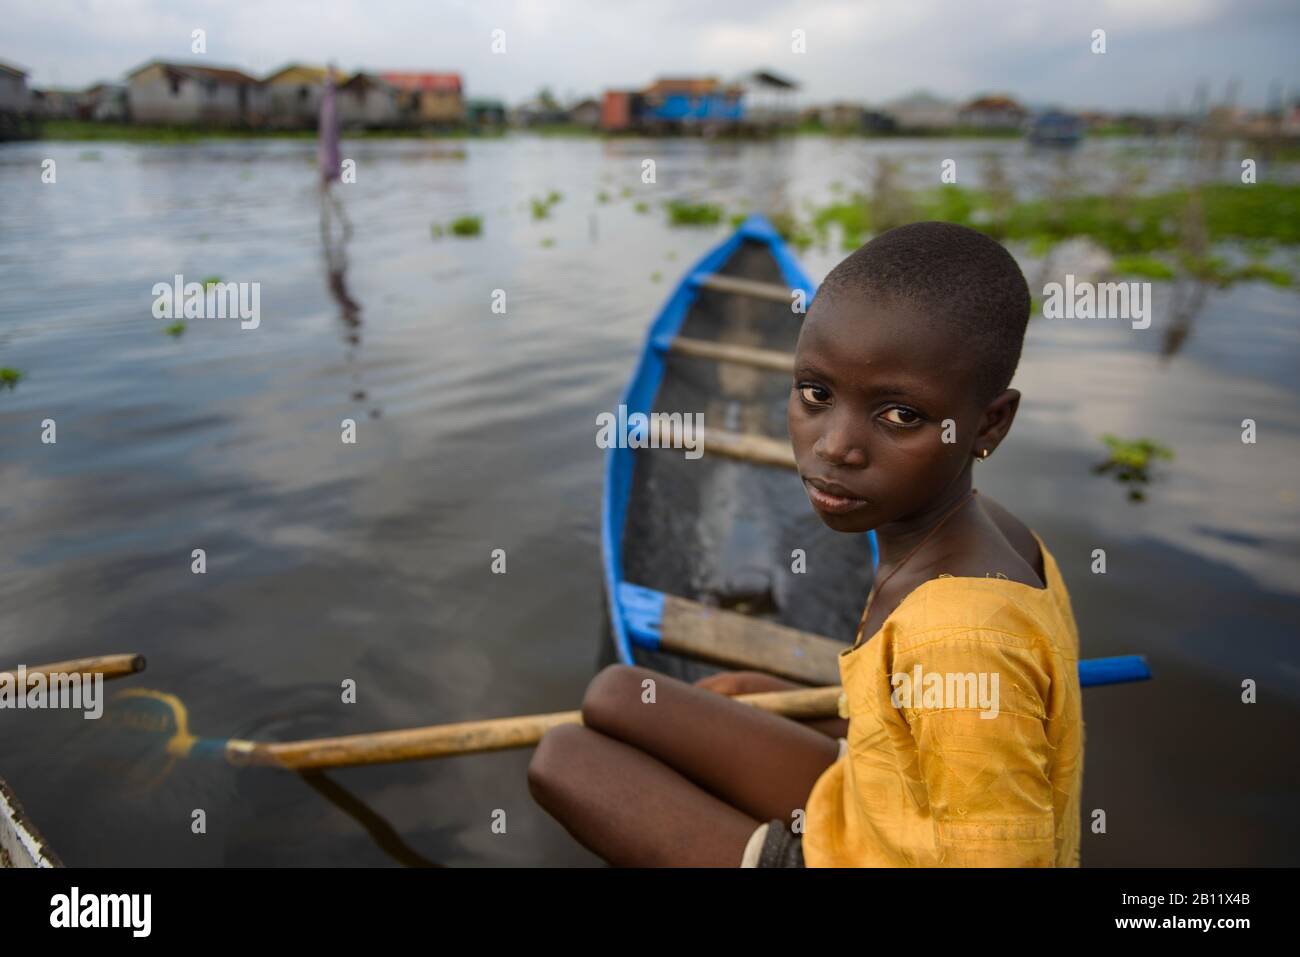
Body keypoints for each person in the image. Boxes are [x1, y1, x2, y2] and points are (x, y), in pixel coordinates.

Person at [528, 221, 1083, 867]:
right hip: (879, 800)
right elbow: (931, 739)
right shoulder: (1007, 534)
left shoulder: (962, 642)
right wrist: (834, 712)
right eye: (816, 394)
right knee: (617, 693)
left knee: (563, 761)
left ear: (990, 421)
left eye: (900, 414)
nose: (834, 446)